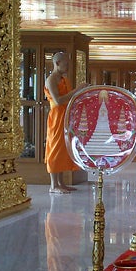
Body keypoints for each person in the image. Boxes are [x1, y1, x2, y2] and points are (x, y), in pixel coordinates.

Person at [44, 52, 87, 193]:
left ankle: (61, 183)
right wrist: (77, 90)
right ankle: (53, 185)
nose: (67, 66)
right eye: (66, 63)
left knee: (63, 149)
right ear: (57, 63)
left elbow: (69, 99)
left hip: (66, 116)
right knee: (55, 148)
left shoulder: (63, 79)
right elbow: (58, 100)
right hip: (56, 116)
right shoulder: (51, 80)